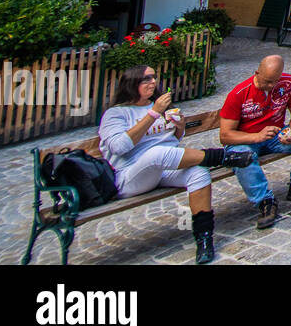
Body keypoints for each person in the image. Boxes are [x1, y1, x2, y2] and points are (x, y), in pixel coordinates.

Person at [98, 65, 252, 264]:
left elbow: (173, 143)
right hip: (129, 176)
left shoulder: (157, 106)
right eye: (147, 79)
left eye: (154, 77)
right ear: (132, 83)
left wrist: (179, 128)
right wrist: (153, 114)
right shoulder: (116, 114)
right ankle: (222, 157)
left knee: (198, 171)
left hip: (162, 170)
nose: (153, 82)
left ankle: (204, 238)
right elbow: (119, 147)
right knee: (156, 154)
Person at [219, 56, 291, 231]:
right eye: (267, 82)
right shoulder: (238, 94)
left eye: (275, 81)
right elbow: (226, 136)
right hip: (245, 140)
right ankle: (265, 201)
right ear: (257, 73)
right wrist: (256, 137)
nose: (271, 86)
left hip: (274, 136)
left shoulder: (289, 83)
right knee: (242, 156)